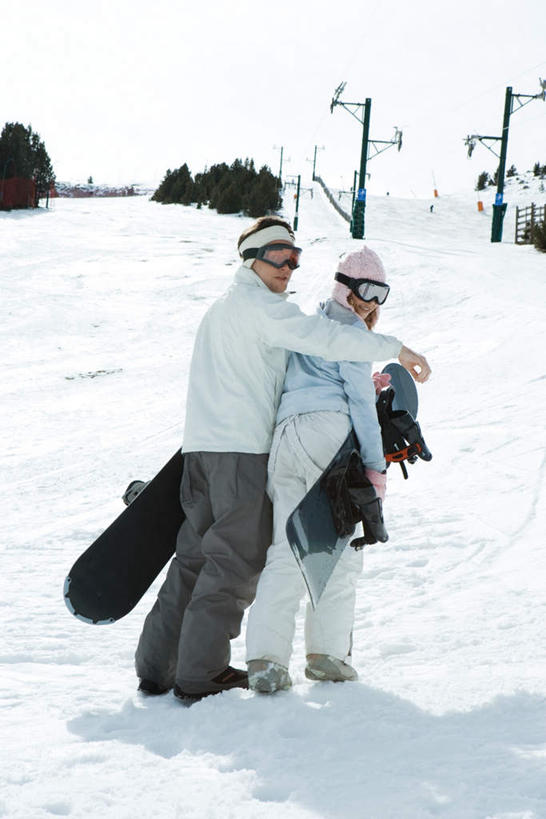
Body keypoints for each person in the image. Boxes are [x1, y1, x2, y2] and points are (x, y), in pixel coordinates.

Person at [135, 217, 430, 702]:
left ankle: (157, 665)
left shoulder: (224, 310)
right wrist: (394, 351)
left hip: (203, 451)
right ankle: (205, 671)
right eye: (278, 257)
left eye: (294, 259)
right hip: (244, 453)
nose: (288, 268)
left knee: (193, 558)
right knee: (238, 559)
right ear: (252, 255)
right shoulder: (266, 310)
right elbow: (335, 346)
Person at [246, 246, 423, 693]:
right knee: (342, 550)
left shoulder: (310, 320)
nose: (371, 303)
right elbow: (361, 406)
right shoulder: (352, 333)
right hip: (330, 440)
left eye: (380, 294)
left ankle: (265, 661)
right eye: (365, 291)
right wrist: (374, 468)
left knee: (287, 550)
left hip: (286, 440)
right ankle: (327, 654)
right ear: (343, 286)